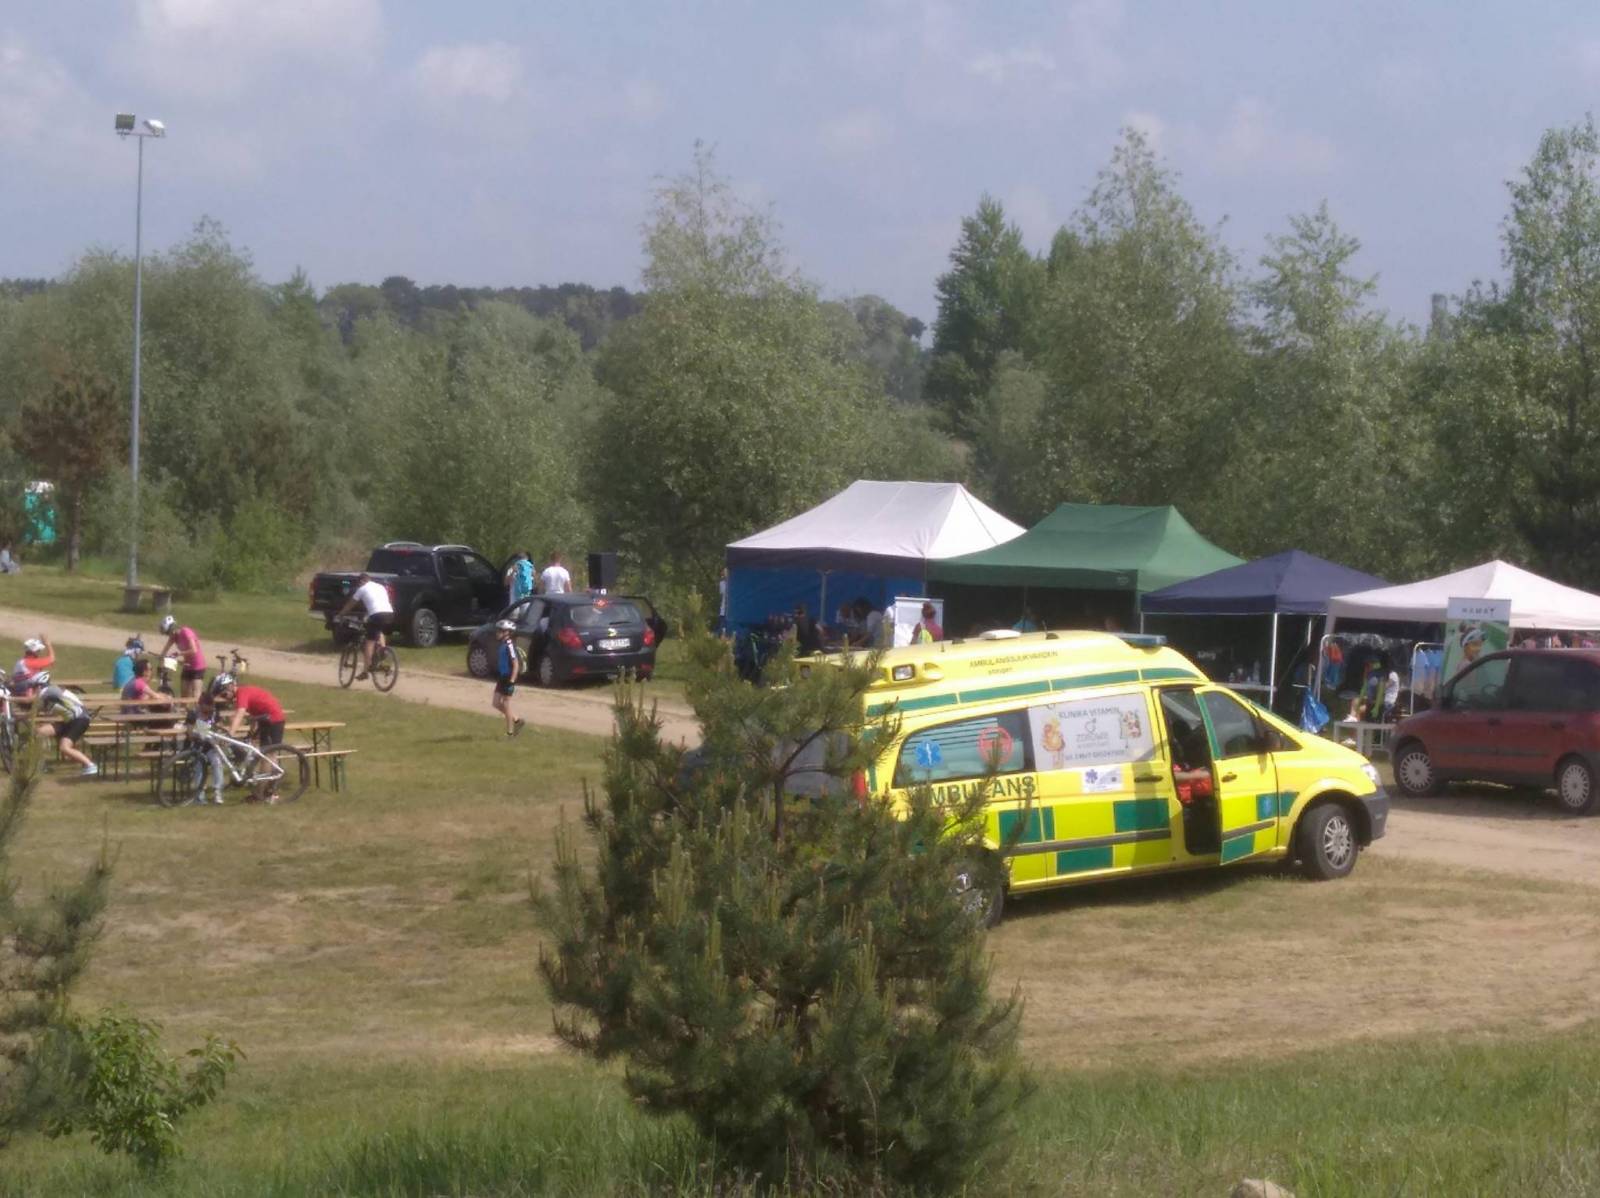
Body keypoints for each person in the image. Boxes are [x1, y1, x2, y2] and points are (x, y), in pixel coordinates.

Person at [336, 572, 393, 681]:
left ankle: (365, 671)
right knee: (378, 631)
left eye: (359, 583)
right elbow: (377, 601)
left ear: (361, 581)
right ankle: (383, 650)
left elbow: (351, 604)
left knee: (369, 641)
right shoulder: (380, 586)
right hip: (389, 613)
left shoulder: (362, 589)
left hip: (376, 614)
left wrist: (341, 614)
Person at [37, 680, 96, 776]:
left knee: (64, 747)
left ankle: (90, 765)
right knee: (41, 732)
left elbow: (29, 700)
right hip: (69, 721)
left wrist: (12, 698)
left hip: (80, 721)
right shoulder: (52, 692)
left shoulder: (48, 691)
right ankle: (41, 765)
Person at [213, 674, 286, 747]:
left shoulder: (242, 693)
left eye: (224, 695)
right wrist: (251, 734)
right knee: (263, 749)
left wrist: (229, 735)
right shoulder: (242, 693)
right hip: (265, 718)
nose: (225, 698)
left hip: (275, 718)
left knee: (273, 749)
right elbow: (253, 717)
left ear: (230, 687)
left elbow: (239, 715)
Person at [159, 614, 207, 700]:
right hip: (187, 665)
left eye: (168, 632)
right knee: (184, 694)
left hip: (198, 665)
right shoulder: (174, 637)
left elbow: (194, 650)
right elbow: (166, 648)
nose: (168, 635)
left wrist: (179, 653)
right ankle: (183, 708)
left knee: (196, 693)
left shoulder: (186, 632)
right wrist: (162, 656)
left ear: (172, 628)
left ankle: (198, 707)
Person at [491, 620, 525, 737]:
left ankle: (510, 732)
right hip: (502, 677)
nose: (497, 633)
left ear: (507, 632)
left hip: (508, 678)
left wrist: (512, 681)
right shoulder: (503, 644)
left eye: (500, 631)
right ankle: (517, 720)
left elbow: (516, 664)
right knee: (496, 703)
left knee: (506, 704)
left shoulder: (510, 645)